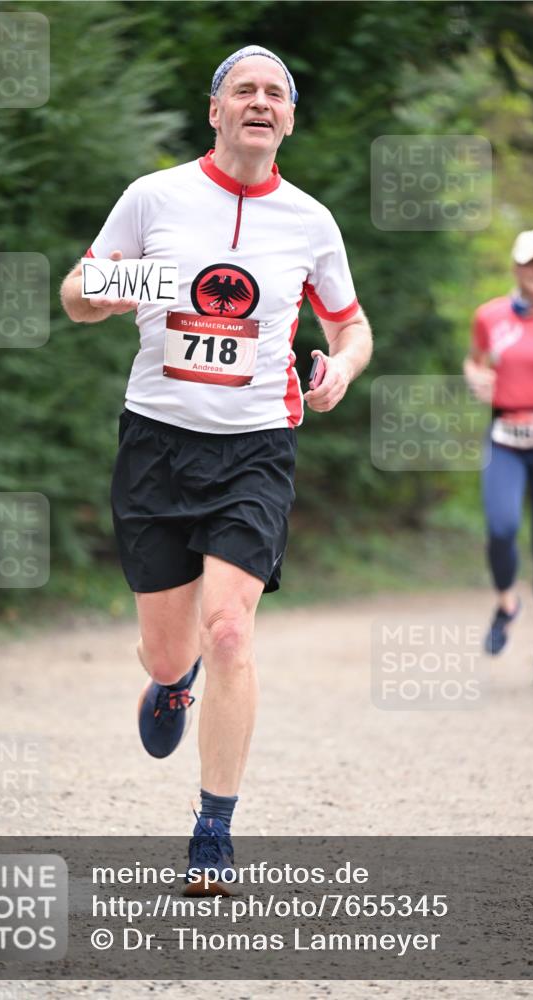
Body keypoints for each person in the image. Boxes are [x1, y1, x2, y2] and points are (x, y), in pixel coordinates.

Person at [60, 45, 372, 888]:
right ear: (215, 110)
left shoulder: (308, 221)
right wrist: (102, 292)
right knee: (169, 653)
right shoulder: (154, 197)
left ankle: (213, 830)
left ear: (289, 118)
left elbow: (349, 324)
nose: (260, 102)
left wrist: (341, 368)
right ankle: (172, 682)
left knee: (230, 628)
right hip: (156, 443)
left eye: (275, 93)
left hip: (255, 447)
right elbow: (77, 293)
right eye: (244, 90)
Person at [464, 229, 533, 684]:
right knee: (501, 527)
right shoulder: (490, 316)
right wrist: (474, 376)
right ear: (516, 268)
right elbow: (474, 360)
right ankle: (507, 603)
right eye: (530, 263)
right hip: (505, 436)